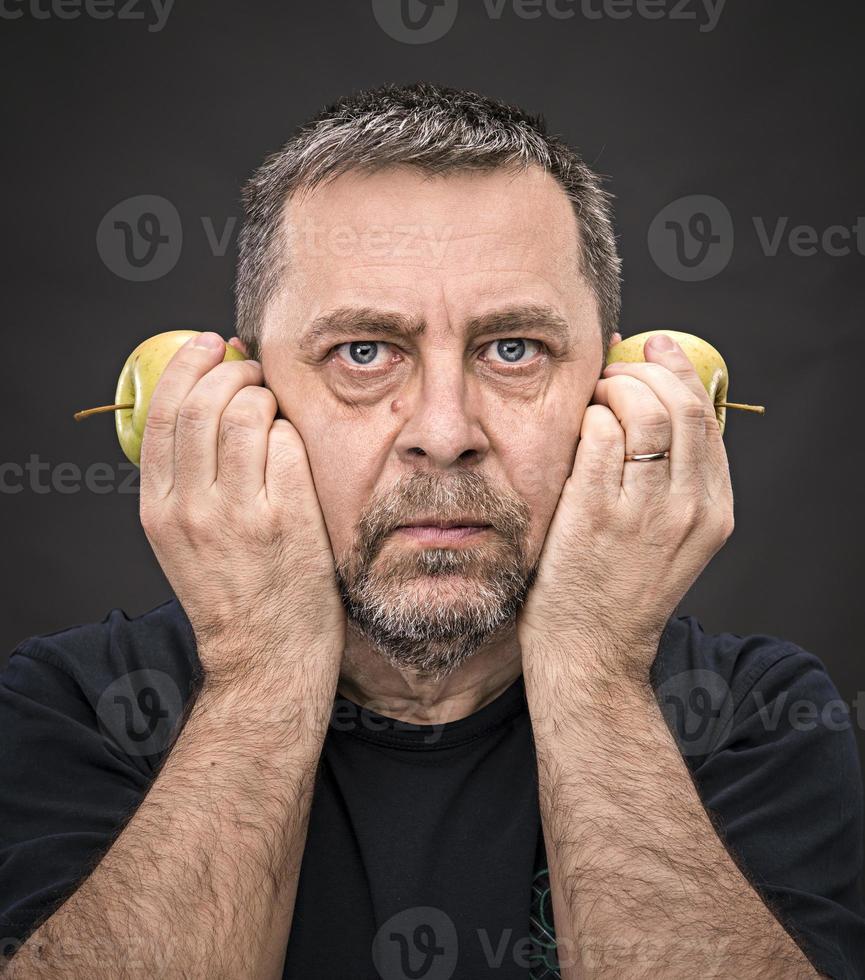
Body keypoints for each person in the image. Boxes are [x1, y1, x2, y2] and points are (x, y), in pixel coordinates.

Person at [1, 81, 862, 980]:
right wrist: (262, 669)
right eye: (363, 352)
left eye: (513, 348)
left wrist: (594, 669)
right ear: (240, 401)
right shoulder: (77, 705)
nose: (444, 433)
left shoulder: (756, 713)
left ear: (616, 391)